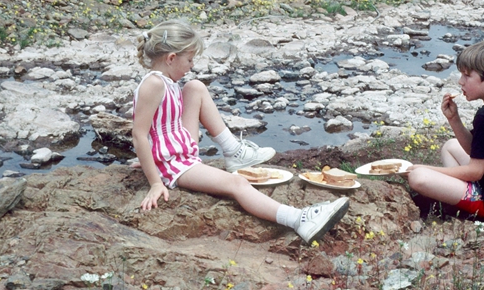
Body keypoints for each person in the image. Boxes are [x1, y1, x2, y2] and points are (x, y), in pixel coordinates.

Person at [132, 19, 349, 243]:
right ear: (171, 59)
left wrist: (151, 155)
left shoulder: (166, 80)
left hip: (176, 149)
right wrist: (156, 180)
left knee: (195, 87)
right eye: (189, 60)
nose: (192, 65)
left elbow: (157, 127)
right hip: (174, 164)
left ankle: (233, 150)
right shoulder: (154, 85)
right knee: (237, 184)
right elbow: (139, 134)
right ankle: (299, 220)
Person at [407, 40, 484, 220]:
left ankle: (460, 203)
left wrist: (426, 168)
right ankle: (456, 195)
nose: (460, 82)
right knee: (450, 145)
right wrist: (454, 119)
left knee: (418, 177)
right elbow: (476, 150)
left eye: (467, 75)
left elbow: (475, 172)